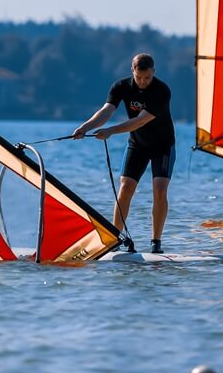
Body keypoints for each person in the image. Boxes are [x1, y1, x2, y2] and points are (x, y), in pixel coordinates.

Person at [72, 53, 175, 252]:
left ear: (154, 72)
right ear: (132, 71)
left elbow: (139, 121)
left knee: (160, 189)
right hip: (138, 145)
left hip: (163, 145)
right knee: (126, 187)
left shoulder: (161, 90)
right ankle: (114, 239)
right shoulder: (120, 87)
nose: (143, 81)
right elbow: (106, 111)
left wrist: (110, 131)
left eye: (147, 77)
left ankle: (156, 242)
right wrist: (85, 127)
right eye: (139, 77)